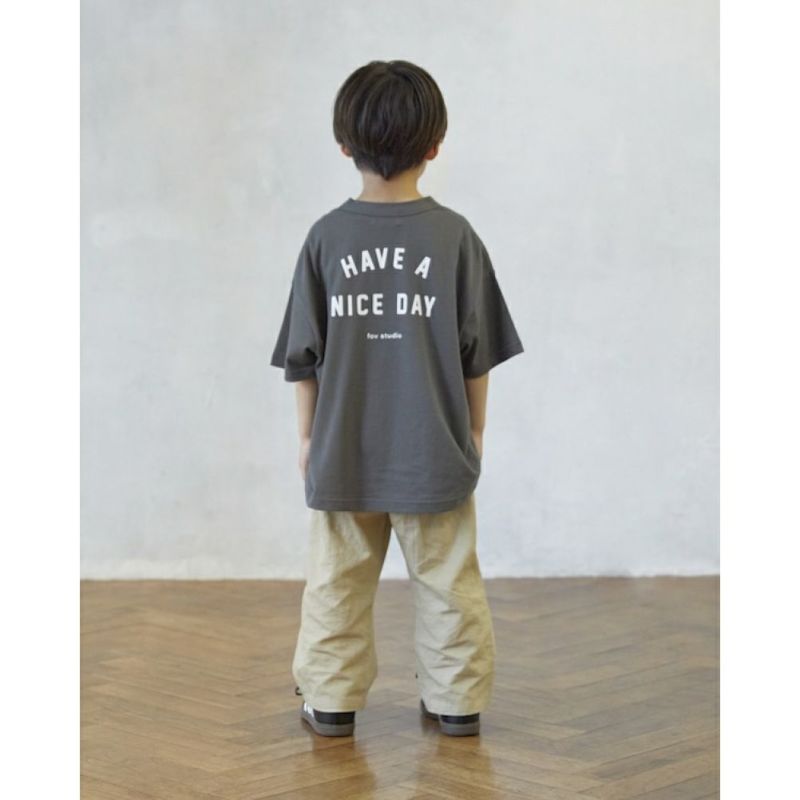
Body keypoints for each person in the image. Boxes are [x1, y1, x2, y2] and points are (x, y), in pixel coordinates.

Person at [270, 59, 524, 737]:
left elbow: (303, 357)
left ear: (343, 144)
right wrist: (474, 432)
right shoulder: (455, 237)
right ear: (436, 144)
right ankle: (457, 702)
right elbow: (477, 353)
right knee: (449, 582)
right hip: (433, 450)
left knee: (336, 581)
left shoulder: (326, 238)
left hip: (344, 450)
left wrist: (308, 439)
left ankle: (330, 700)